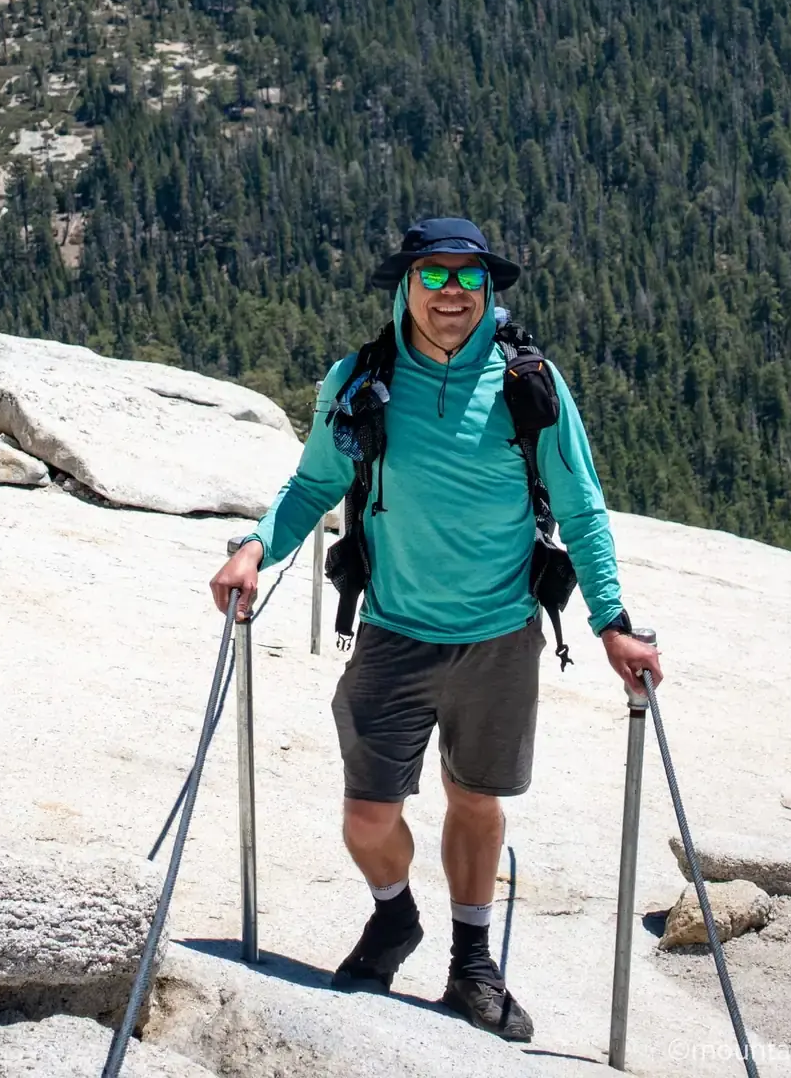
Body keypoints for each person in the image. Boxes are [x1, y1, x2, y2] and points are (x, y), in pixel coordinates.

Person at [210, 216, 661, 1043]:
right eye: (433, 276)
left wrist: (613, 623)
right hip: (392, 627)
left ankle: (471, 961)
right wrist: (252, 548)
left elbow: (580, 504)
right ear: (404, 286)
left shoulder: (530, 384)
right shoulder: (358, 381)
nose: (450, 292)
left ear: (487, 289)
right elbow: (313, 486)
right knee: (367, 817)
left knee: (475, 798)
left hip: (500, 631)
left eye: (466, 277)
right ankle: (394, 917)